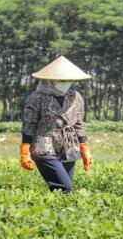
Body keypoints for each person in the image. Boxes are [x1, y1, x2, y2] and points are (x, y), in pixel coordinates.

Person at [20, 56, 93, 193]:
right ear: (50, 80)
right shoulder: (36, 98)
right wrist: (25, 151)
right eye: (61, 80)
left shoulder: (75, 96)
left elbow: (78, 123)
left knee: (62, 193)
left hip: (69, 146)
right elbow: (28, 125)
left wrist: (84, 148)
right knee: (64, 187)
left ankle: (55, 213)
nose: (65, 83)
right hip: (44, 146)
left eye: (68, 81)